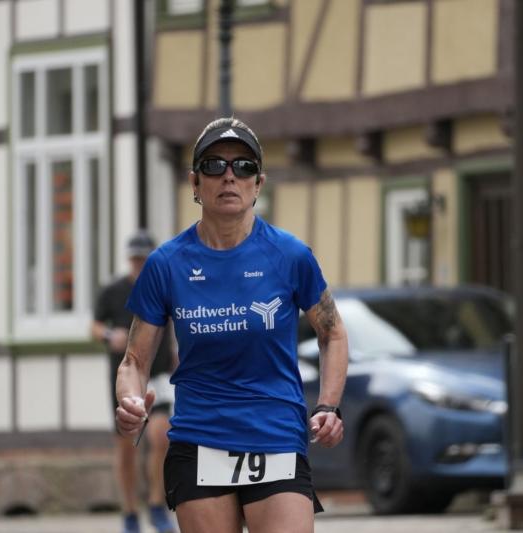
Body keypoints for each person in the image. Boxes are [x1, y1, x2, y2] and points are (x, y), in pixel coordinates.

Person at [115, 117, 349, 533]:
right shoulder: (165, 264)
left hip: (275, 435)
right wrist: (131, 400)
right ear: (194, 183)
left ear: (258, 184)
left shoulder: (290, 256)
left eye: (243, 167)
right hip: (199, 439)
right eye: (213, 166)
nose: (229, 176)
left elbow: (332, 332)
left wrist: (328, 406)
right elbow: (135, 360)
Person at [92, 230, 177, 533]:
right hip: (126, 379)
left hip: (160, 375)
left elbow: (173, 324)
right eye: (136, 259)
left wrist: (177, 354)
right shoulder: (113, 291)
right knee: (128, 446)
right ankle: (130, 511)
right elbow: (94, 326)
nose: (140, 264)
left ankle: (156, 504)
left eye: (145, 259)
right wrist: (108, 335)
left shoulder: (164, 288)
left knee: (161, 435)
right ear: (130, 260)